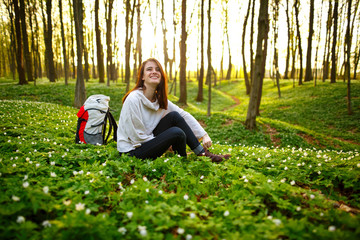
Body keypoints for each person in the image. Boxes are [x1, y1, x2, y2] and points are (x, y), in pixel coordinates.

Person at [117, 58, 230, 162]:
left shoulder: (159, 100)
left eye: (158, 69)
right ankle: (183, 162)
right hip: (132, 152)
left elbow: (183, 115)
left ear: (161, 76)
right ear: (142, 76)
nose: (154, 72)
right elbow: (137, 138)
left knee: (174, 116)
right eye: (149, 69)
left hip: (146, 142)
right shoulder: (133, 99)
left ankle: (202, 153)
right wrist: (162, 141)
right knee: (176, 132)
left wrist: (204, 135)